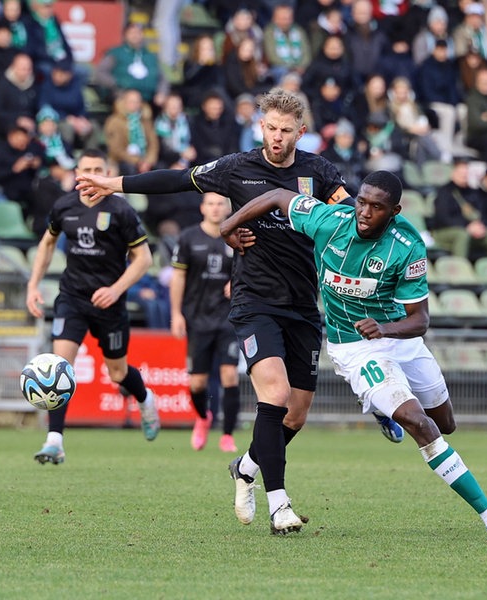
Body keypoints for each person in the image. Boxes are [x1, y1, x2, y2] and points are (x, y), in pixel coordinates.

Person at [75, 88, 402, 536]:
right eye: (271, 128)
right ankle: (279, 504)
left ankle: (246, 466)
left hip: (304, 305)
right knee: (275, 394)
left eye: (287, 131)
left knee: (297, 413)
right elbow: (175, 178)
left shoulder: (319, 172)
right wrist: (112, 184)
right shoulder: (236, 168)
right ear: (260, 126)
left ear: (301, 132)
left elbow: (356, 215)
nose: (278, 138)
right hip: (253, 300)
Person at [217, 170, 487, 542]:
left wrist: (385, 329)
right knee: (419, 424)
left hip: (400, 339)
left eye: (377, 207)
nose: (365, 212)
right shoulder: (330, 221)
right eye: (362, 201)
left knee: (446, 423)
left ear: (394, 211)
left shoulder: (407, 245)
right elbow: (277, 195)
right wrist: (227, 227)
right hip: (354, 347)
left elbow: (420, 319)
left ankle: (247, 466)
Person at [25, 149, 159, 465]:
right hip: (72, 297)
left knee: (118, 372)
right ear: (77, 173)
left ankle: (144, 397)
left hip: (110, 304)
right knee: (60, 366)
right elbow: (46, 243)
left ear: (107, 171)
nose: (92, 174)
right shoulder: (64, 206)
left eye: (99, 168)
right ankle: (54, 440)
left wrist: (115, 290)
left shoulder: (121, 210)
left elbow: (144, 259)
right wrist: (33, 285)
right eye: (86, 169)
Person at [170, 192, 240, 453]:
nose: (215, 208)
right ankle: (202, 418)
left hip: (229, 318)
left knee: (229, 375)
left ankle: (228, 435)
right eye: (210, 203)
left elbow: (250, 267)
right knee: (197, 383)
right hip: (197, 318)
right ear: (202, 208)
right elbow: (178, 278)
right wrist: (176, 314)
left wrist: (238, 280)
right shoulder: (188, 238)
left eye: (220, 203)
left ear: (227, 207)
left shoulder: (236, 234)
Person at [430, 159, 487, 260]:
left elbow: (483, 213)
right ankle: (461, 269)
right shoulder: (444, 192)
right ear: (453, 173)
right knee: (462, 235)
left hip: (473, 231)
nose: (464, 176)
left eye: (466, 174)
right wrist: (467, 226)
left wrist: (481, 226)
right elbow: (443, 218)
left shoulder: (472, 192)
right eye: (461, 173)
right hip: (444, 231)